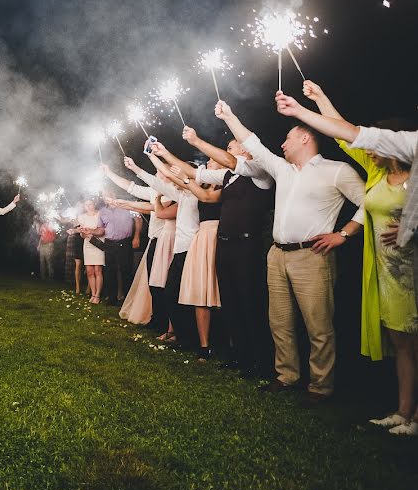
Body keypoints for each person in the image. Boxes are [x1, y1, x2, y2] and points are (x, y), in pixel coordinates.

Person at [276, 86, 418, 433]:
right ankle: (403, 412)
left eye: (377, 145)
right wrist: (315, 101)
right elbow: (346, 133)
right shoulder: (377, 171)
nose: (369, 149)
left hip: (413, 267)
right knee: (402, 343)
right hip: (386, 270)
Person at [215, 99, 366, 403]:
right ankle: (286, 376)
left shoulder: (336, 171)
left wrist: (343, 234)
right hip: (277, 254)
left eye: (287, 138)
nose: (282, 144)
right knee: (280, 321)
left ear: (305, 137)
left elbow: (369, 202)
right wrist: (229, 116)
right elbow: (253, 145)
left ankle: (321, 387)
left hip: (312, 256)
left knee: (318, 325)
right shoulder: (282, 170)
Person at [176, 126, 274, 374]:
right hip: (225, 243)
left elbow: (227, 160)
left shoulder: (260, 171)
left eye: (230, 146)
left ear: (244, 149)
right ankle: (240, 356)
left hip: (246, 244)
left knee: (249, 302)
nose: (226, 151)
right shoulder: (229, 177)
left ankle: (260, 361)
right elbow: (195, 174)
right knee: (231, 303)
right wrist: (162, 153)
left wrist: (197, 140)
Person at [149, 144, 223, 361]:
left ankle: (198, 340)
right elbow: (160, 179)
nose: (208, 163)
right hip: (188, 246)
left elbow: (184, 182)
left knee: (196, 294)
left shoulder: (206, 190)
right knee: (176, 292)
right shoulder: (188, 192)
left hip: (200, 243)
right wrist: (152, 155)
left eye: (211, 161)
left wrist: (183, 176)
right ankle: (185, 336)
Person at [125, 153, 200, 346]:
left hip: (191, 246)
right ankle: (174, 332)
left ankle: (183, 335)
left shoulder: (196, 194)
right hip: (178, 246)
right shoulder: (181, 194)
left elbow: (160, 210)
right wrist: (137, 166)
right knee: (169, 290)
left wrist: (156, 198)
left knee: (177, 291)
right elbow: (156, 183)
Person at [101, 164, 177, 333]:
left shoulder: (173, 191)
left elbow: (154, 209)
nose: (157, 173)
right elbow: (131, 186)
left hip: (168, 241)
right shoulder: (153, 191)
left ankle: (166, 322)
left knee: (164, 283)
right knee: (153, 281)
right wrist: (109, 173)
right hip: (154, 240)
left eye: (159, 171)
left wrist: (127, 204)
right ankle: (156, 318)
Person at [91, 192, 140, 305]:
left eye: (108, 194)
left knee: (126, 270)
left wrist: (136, 237)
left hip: (125, 242)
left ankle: (128, 299)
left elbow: (138, 219)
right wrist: (91, 231)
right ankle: (112, 298)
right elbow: (100, 229)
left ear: (113, 195)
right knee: (109, 271)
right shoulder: (102, 212)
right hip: (109, 243)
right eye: (104, 196)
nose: (106, 197)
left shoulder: (126, 206)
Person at [76, 199, 104, 304]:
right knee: (89, 271)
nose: (88, 206)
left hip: (98, 243)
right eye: (86, 204)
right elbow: (81, 235)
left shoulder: (100, 214)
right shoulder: (81, 217)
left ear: (94, 204)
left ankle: (98, 295)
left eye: (90, 204)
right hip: (88, 244)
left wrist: (92, 232)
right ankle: (93, 293)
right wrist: (83, 233)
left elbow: (102, 229)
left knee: (98, 270)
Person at [63, 201, 85, 295]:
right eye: (78, 205)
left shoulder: (86, 216)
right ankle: (77, 287)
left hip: (87, 241)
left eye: (80, 206)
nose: (79, 207)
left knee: (87, 266)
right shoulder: (74, 217)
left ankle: (88, 288)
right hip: (78, 241)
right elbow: (64, 220)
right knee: (78, 265)